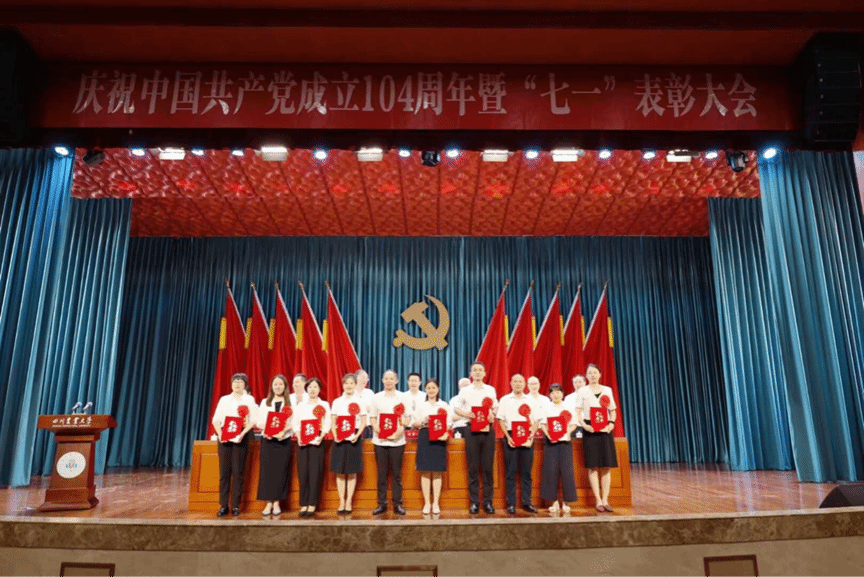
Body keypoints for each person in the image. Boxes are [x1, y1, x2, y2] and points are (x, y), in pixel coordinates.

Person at [454, 361, 498, 514]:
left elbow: (495, 406)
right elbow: (456, 408)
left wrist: (493, 414)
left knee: (487, 468)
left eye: (480, 370)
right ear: (471, 373)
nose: (478, 372)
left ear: (485, 373)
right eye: (475, 370)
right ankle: (474, 502)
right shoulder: (465, 391)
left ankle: (488, 502)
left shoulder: (490, 390)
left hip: (487, 430)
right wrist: (466, 414)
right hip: (471, 430)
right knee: (472, 468)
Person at [211, 373, 257, 517]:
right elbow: (216, 420)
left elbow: (253, 420)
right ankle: (223, 505)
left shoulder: (249, 400)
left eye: (240, 382)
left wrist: (242, 434)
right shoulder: (224, 399)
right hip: (225, 437)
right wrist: (220, 435)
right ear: (231, 384)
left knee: (238, 472)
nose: (237, 384)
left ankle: (236, 505)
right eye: (235, 381)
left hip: (241, 437)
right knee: (224, 473)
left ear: (245, 385)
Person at [575, 363, 618, 512]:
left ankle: (606, 500)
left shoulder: (607, 390)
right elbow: (578, 411)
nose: (592, 375)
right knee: (593, 466)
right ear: (586, 376)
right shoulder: (582, 391)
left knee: (606, 466)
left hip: (605, 429)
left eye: (595, 372)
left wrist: (611, 424)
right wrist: (584, 425)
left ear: (600, 374)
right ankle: (598, 500)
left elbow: (612, 411)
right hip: (590, 428)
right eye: (590, 373)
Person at [497, 373, 540, 514]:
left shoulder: (531, 400)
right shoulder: (504, 400)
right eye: (515, 381)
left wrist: (531, 436)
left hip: (527, 436)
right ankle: (511, 503)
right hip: (511, 436)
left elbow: (537, 420)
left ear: (524, 384)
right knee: (510, 472)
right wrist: (508, 437)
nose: (517, 384)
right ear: (510, 383)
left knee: (526, 472)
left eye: (520, 381)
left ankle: (527, 502)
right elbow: (500, 419)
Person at [369, 369, 408, 515]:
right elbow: (372, 417)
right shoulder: (376, 398)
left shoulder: (403, 397)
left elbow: (408, 417)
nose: (389, 381)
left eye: (392, 378)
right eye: (386, 378)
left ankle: (398, 504)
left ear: (396, 380)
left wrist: (399, 431)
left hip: (398, 441)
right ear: (382, 381)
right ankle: (382, 504)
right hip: (380, 441)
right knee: (382, 474)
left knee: (397, 474)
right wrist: (378, 429)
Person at [412, 378, 452, 515]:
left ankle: (436, 503)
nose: (431, 390)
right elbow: (414, 423)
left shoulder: (444, 405)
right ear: (425, 390)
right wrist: (423, 422)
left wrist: (446, 434)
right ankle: (427, 503)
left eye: (433, 388)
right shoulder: (421, 406)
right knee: (425, 471)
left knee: (437, 471)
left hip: (439, 439)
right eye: (429, 388)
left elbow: (449, 423)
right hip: (425, 437)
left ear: (438, 389)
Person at [330, 372, 368, 514]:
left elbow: (363, 421)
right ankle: (341, 501)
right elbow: (333, 420)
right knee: (340, 471)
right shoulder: (337, 401)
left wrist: (357, 435)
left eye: (352, 383)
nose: (349, 386)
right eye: (346, 383)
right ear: (343, 385)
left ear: (355, 385)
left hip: (354, 438)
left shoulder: (360, 401)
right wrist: (335, 435)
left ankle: (349, 501)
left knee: (352, 471)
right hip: (339, 439)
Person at [292, 377, 330, 518]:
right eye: (310, 387)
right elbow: (296, 422)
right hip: (302, 440)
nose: (312, 389)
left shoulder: (324, 404)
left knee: (315, 472)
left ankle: (312, 503)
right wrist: (299, 437)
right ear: (306, 389)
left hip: (318, 441)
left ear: (319, 389)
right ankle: (304, 503)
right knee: (303, 473)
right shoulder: (301, 405)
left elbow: (327, 423)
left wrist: (322, 436)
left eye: (315, 387)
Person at [256, 374, 293, 516]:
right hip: (268, 440)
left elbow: (294, 422)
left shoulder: (290, 402)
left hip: (283, 441)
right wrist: (270, 430)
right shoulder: (265, 402)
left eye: (281, 384)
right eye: (275, 384)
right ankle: (268, 503)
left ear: (285, 386)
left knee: (280, 472)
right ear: (271, 386)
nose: (278, 387)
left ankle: (277, 503)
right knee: (267, 472)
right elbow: (259, 422)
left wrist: (282, 431)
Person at [540, 383, 578, 515]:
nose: (556, 395)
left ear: (562, 394)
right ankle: (554, 501)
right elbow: (543, 424)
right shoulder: (546, 407)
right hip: (551, 443)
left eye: (558, 392)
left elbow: (574, 424)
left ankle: (566, 502)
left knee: (567, 471)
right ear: (550, 395)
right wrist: (548, 434)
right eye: (553, 392)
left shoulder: (569, 407)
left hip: (565, 443)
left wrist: (568, 431)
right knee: (550, 471)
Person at [564, 374, 587, 438]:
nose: (578, 384)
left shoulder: (590, 396)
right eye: (575, 382)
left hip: (587, 427)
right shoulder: (568, 398)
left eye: (580, 382)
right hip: (573, 428)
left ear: (585, 383)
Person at [356, 369, 376, 439]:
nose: (364, 380)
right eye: (362, 377)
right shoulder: (351, 393)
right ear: (356, 378)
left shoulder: (370, 393)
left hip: (368, 426)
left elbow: (375, 409)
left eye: (366, 378)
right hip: (355, 426)